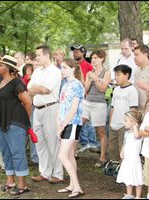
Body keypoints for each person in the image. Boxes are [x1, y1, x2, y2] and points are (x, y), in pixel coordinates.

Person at [0, 55, 32, 195]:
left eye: (1, 65)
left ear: (9, 68)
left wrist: (24, 121)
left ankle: (22, 184)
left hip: (15, 123)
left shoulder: (17, 83)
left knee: (17, 153)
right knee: (6, 153)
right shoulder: (1, 81)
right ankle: (10, 181)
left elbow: (28, 103)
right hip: (1, 122)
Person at [28, 45, 64, 184]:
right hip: (37, 109)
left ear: (46, 55)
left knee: (53, 142)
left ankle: (58, 173)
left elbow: (46, 90)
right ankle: (45, 172)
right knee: (39, 141)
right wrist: (38, 88)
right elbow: (29, 88)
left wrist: (37, 88)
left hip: (50, 108)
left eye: (38, 55)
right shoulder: (37, 71)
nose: (36, 58)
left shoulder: (55, 71)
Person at [57, 58, 84, 198]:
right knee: (69, 155)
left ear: (73, 69)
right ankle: (72, 185)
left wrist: (63, 125)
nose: (62, 70)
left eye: (65, 67)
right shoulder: (65, 84)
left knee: (62, 155)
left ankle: (77, 186)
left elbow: (74, 109)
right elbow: (61, 106)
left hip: (72, 123)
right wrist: (58, 124)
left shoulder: (77, 85)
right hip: (64, 123)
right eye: (61, 67)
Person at [82, 50, 111, 166]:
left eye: (96, 58)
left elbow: (103, 88)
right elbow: (85, 90)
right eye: (92, 58)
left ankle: (103, 157)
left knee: (101, 131)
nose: (94, 60)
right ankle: (72, 153)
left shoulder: (106, 72)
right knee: (78, 125)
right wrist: (89, 78)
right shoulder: (91, 72)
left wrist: (95, 78)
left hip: (99, 104)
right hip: (87, 102)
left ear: (102, 59)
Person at [109, 64, 139, 161]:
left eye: (118, 75)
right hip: (113, 124)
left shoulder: (132, 90)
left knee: (122, 147)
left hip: (124, 125)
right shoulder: (116, 89)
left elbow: (133, 109)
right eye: (115, 75)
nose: (116, 77)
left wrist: (130, 125)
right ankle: (114, 167)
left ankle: (122, 170)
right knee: (113, 148)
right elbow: (112, 107)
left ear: (126, 75)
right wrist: (110, 121)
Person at [116, 111, 143, 199]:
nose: (124, 122)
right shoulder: (126, 133)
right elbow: (125, 143)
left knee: (137, 177)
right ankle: (129, 194)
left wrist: (135, 126)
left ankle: (138, 196)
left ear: (133, 122)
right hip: (127, 159)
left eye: (126, 120)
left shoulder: (138, 133)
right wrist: (122, 151)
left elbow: (136, 136)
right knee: (128, 177)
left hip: (134, 159)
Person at [133, 45, 149, 110]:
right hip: (138, 109)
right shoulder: (137, 70)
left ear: (145, 55)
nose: (134, 57)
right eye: (134, 55)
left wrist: (145, 87)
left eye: (136, 55)